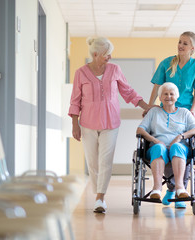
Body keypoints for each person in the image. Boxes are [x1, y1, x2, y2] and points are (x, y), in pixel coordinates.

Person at [68, 37, 149, 213]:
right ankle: (98, 193)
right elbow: (75, 100)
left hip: (111, 123)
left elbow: (128, 92)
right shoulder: (81, 73)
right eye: (106, 54)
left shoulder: (115, 70)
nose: (110, 57)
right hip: (88, 124)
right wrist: (75, 124)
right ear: (95, 54)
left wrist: (147, 106)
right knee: (92, 162)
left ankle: (100, 198)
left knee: (105, 161)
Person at [147, 31, 195, 208]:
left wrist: (193, 111)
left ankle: (176, 189)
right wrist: (150, 106)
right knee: (163, 147)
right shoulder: (167, 63)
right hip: (164, 110)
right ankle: (170, 188)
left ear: (193, 48)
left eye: (185, 43)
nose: (181, 45)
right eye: (180, 42)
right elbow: (157, 86)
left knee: (182, 150)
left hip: (184, 114)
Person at [136, 82, 195, 208]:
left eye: (172, 94)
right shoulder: (154, 112)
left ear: (177, 97)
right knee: (159, 148)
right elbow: (140, 130)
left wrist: (180, 137)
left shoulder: (184, 112)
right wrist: (155, 140)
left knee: (177, 147)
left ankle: (180, 188)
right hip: (157, 147)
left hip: (178, 147)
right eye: (165, 94)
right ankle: (157, 188)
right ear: (160, 98)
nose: (168, 96)